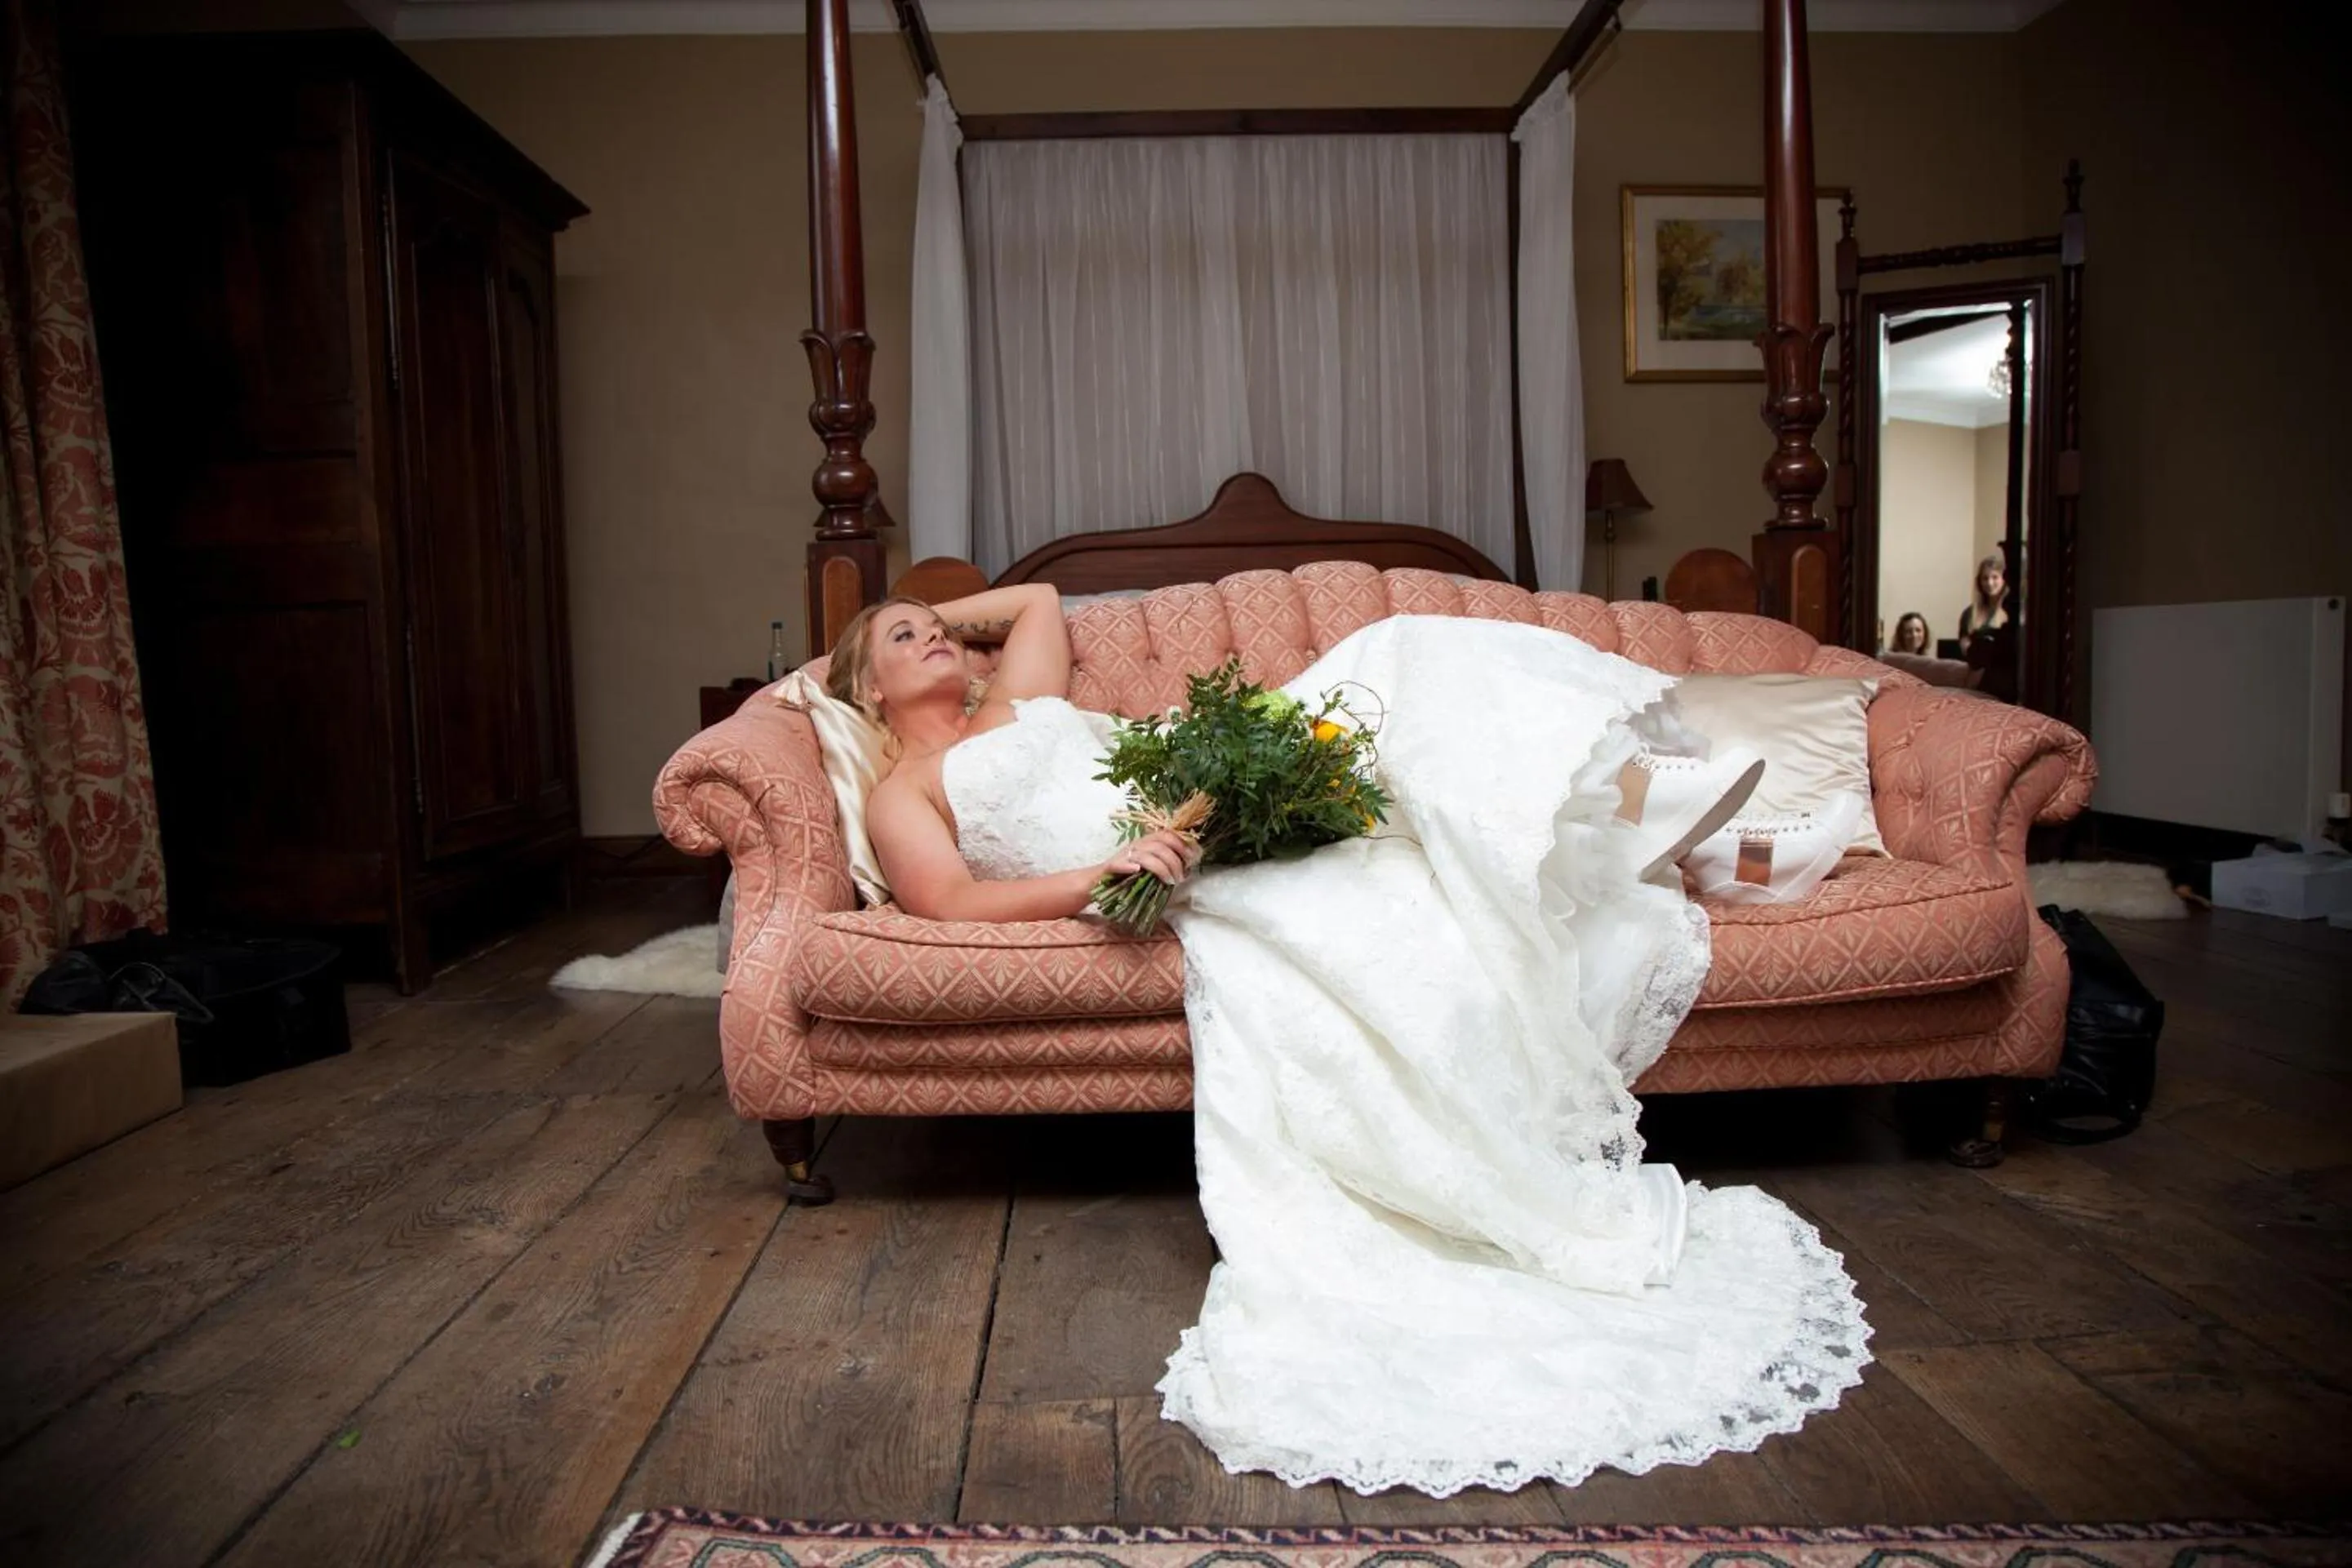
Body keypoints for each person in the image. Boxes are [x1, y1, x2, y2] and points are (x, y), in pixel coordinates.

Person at [827, 586, 1871, 1495]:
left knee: (1411, 655)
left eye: (942, 632)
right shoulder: (901, 790)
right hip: (1185, 863)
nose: (938, 645)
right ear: (867, 690)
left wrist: (927, 618)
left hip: (1228, 800)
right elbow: (952, 898)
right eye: (904, 641)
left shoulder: (1019, 704)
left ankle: (1701, 820)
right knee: (1415, 848)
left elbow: (1042, 604)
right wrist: (1103, 875)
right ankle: (1713, 846)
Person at [1958, 553, 2010, 653]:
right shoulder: (1969, 613)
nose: (1990, 583)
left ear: (2004, 580)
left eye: (1995, 577)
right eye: (1985, 578)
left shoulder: (2011, 611)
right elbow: (1965, 648)